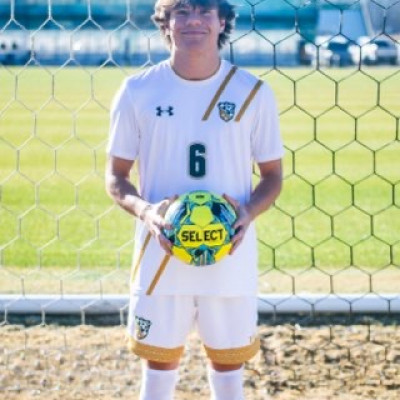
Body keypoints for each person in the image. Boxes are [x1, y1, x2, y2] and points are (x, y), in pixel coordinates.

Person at [105, 0, 284, 398]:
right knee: (159, 364)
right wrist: (146, 212)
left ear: (222, 21)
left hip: (229, 252)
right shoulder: (137, 91)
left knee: (228, 365)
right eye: (181, 12)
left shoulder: (253, 92)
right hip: (161, 253)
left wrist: (248, 212)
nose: (193, 21)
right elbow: (115, 178)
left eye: (204, 11)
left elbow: (272, 177)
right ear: (165, 23)